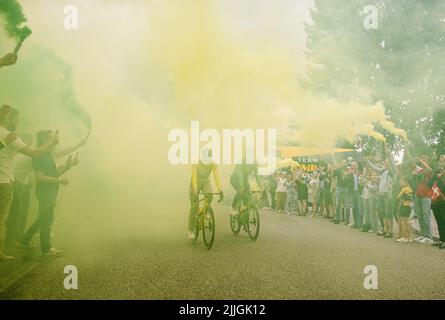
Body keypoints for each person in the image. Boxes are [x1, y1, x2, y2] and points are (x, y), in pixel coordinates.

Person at [0, 106, 58, 261]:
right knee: (5, 217)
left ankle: (13, 244)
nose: (18, 123)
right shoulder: (9, 135)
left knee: (13, 214)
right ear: (8, 118)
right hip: (4, 182)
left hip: (8, 181)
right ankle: (8, 246)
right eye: (16, 119)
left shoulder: (9, 136)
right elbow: (34, 153)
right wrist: (51, 143)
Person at [188, 150, 223, 240]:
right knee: (194, 206)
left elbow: (216, 176)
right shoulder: (196, 163)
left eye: (209, 157)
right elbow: (194, 175)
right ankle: (191, 230)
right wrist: (195, 189)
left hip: (205, 182)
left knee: (210, 195)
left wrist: (220, 190)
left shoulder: (212, 164)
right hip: (194, 182)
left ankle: (205, 210)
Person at [412, 156, 434, 244]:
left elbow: (430, 170)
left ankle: (429, 236)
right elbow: (413, 165)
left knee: (426, 217)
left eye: (424, 159)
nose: (422, 161)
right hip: (418, 196)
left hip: (425, 196)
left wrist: (423, 162)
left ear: (427, 160)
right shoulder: (420, 171)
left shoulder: (429, 170)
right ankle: (423, 234)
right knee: (420, 217)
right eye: (421, 159)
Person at [428, 165, 445, 249]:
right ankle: (441, 239)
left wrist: (441, 178)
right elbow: (429, 184)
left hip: (443, 203)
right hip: (435, 203)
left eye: (440, 171)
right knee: (439, 221)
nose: (439, 173)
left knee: (443, 221)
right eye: (438, 171)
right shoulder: (436, 179)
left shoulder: (443, 180)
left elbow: (442, 188)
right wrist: (434, 176)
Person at [396, 178, 414, 243]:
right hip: (408, 206)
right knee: (406, 222)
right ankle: (409, 237)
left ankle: (405, 237)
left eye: (402, 181)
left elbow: (398, 196)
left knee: (403, 222)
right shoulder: (410, 189)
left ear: (406, 182)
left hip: (404, 206)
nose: (400, 183)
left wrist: (401, 199)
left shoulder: (404, 189)